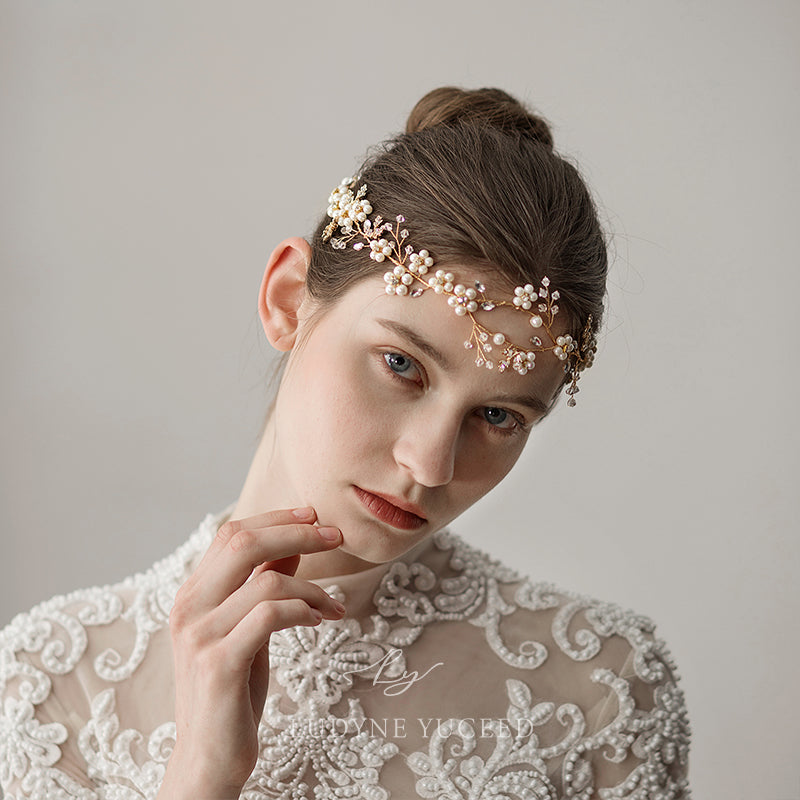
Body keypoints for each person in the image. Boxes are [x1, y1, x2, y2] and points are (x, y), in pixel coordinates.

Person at [0, 87, 691, 799]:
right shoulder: (42, 692)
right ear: (289, 299)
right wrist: (201, 777)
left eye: (498, 418)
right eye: (402, 365)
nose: (429, 463)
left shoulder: (602, 689)